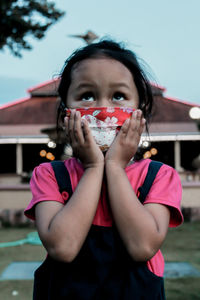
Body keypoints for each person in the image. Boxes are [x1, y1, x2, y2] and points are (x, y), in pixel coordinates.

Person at [24, 40, 183, 299]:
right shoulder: (50, 175)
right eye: (86, 96)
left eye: (118, 96)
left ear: (139, 111)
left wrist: (115, 168)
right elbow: (62, 247)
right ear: (66, 112)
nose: (101, 108)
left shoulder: (158, 176)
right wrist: (94, 166)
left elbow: (142, 246)